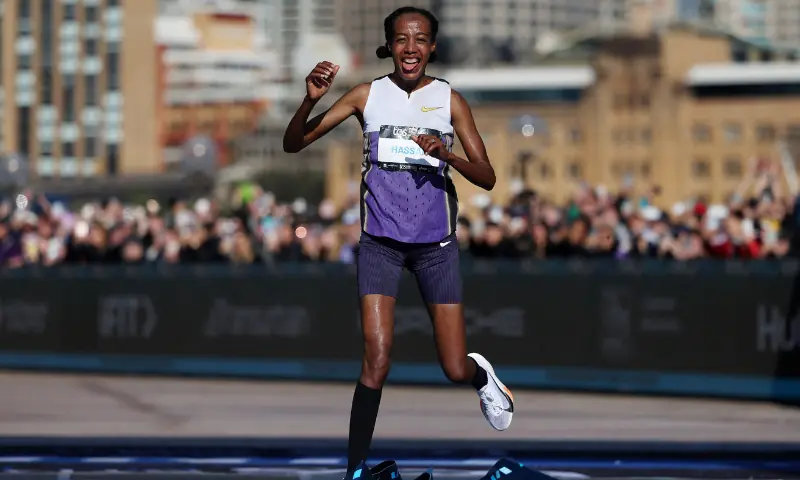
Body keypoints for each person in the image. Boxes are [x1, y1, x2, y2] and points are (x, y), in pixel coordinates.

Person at [283, 6, 514, 478]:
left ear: (432, 47)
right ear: (389, 46)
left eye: (420, 39)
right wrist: (309, 101)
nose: (411, 48)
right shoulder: (365, 95)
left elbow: (487, 177)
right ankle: (355, 470)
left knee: (453, 367)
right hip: (380, 245)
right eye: (402, 40)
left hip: (436, 248)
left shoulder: (450, 100)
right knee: (377, 360)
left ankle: (481, 375)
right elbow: (294, 143)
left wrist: (447, 154)